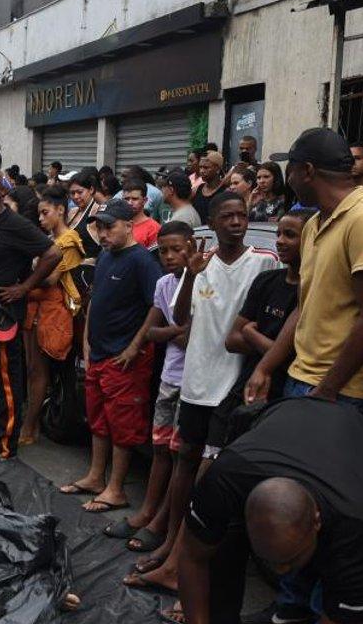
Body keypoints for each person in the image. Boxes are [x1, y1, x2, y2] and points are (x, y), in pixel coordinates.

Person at [128, 193, 281, 594]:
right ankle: (170, 544)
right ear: (212, 222)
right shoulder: (201, 262)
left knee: (209, 478)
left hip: (232, 385)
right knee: (184, 462)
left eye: (242, 215)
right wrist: (193, 276)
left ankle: (184, 560)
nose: (237, 222)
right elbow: (181, 319)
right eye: (227, 216)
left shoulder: (265, 261)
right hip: (195, 380)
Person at [176, 398, 363, 624]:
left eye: (288, 559)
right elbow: (191, 556)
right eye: (270, 560)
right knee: (221, 548)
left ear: (317, 522)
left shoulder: (358, 524)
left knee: (346, 587)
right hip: (284, 419)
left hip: (354, 437)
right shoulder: (224, 479)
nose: (281, 570)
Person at [251, 128, 363, 405]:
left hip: (344, 391)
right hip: (302, 378)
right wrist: (265, 367)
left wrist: (327, 389)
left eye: (291, 171)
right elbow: (304, 306)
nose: (289, 180)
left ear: (307, 170)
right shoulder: (312, 225)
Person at [0, 168, 62, 463]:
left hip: (0, 315)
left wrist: (25, 287)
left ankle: (4, 443)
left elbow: (53, 254)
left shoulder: (15, 224)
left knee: (2, 379)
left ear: (2, 191)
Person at [61, 198, 157, 506]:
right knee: (98, 419)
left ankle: (116, 489)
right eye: (100, 227)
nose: (103, 234)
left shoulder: (142, 261)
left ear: (129, 226)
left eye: (109, 227)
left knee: (123, 425)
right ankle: (95, 477)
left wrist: (134, 347)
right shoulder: (104, 256)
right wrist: (87, 343)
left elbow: (157, 307)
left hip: (124, 359)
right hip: (99, 354)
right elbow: (95, 301)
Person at [108, 221, 194, 556]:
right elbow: (155, 331)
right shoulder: (163, 283)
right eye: (164, 251)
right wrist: (170, 333)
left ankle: (162, 522)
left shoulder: (202, 281)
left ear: (191, 247)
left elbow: (186, 333)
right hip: (170, 377)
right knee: (159, 447)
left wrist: (170, 332)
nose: (169, 256)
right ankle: (147, 511)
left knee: (179, 453)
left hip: (194, 382)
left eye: (177, 249)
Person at [19, 187, 84, 444]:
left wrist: (26, 281)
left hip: (53, 308)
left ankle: (30, 426)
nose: (41, 218)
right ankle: (31, 423)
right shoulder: (49, 240)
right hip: (35, 305)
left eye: (45, 213)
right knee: (32, 368)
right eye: (39, 214)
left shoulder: (69, 241)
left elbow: (51, 279)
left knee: (39, 370)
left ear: (60, 210)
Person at [225, 210, 308, 403]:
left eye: (290, 235)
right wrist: (277, 350)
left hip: (285, 394)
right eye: (278, 234)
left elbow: (295, 359)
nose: (280, 241)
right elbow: (232, 340)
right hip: (247, 388)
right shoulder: (266, 280)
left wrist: (251, 334)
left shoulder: (313, 291)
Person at [123, 179, 161, 249]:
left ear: (144, 201)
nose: (129, 203)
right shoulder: (118, 223)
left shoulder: (153, 228)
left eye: (134, 199)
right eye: (126, 199)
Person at [192, 151, 226, 223]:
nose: (202, 171)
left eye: (206, 168)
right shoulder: (197, 190)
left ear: (217, 169)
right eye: (200, 167)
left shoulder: (226, 191)